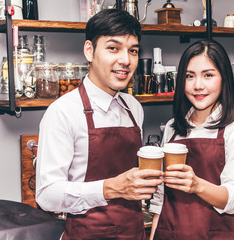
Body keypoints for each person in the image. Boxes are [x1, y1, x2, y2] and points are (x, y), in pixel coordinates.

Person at [35, 9, 163, 240]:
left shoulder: (134, 108)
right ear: (89, 51)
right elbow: (47, 195)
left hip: (134, 234)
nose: (125, 60)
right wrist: (110, 188)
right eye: (113, 48)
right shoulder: (64, 111)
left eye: (132, 51)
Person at [149, 39, 234, 240]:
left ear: (224, 78)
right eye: (190, 76)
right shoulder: (173, 128)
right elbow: (160, 198)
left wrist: (197, 185)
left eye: (208, 75)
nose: (198, 86)